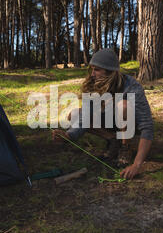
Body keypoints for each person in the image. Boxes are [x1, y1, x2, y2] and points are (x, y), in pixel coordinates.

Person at [52, 49, 154, 179]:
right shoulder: (92, 85)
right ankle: (112, 140)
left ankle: (125, 147)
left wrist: (137, 164)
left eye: (97, 70)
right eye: (92, 69)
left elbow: (147, 126)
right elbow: (84, 119)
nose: (92, 74)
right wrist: (68, 135)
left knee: (123, 105)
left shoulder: (131, 86)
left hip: (128, 123)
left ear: (110, 72)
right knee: (74, 115)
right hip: (108, 121)